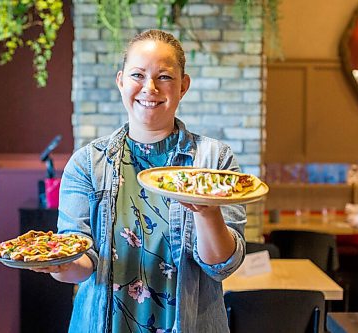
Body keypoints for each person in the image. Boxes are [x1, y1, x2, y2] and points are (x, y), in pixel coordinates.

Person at [30, 29, 246, 333]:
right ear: (120, 81)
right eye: (137, 75)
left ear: (183, 86)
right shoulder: (87, 163)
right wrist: (60, 265)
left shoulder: (214, 162)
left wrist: (208, 211)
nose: (150, 88)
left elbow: (222, 266)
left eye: (165, 77)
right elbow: (82, 261)